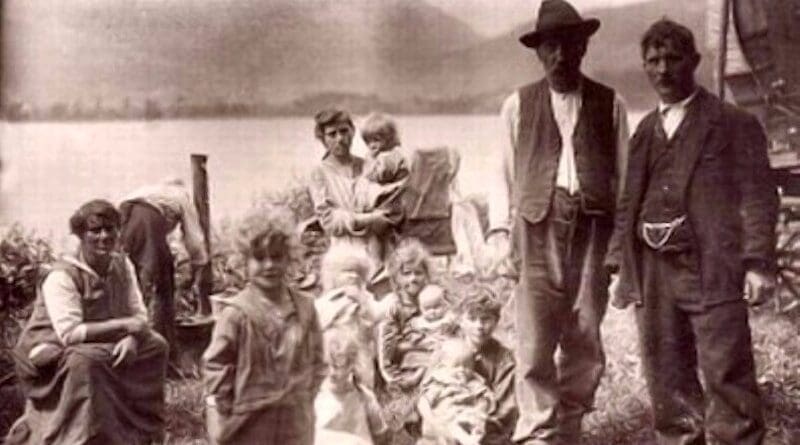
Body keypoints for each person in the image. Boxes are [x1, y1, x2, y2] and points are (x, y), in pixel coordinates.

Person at [605, 18, 777, 444]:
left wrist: (757, 264)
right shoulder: (644, 131)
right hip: (655, 275)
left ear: (694, 61)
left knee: (728, 376)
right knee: (668, 380)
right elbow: (628, 203)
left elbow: (758, 196)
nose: (662, 70)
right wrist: (617, 264)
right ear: (645, 67)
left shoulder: (733, 123)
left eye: (673, 58)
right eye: (653, 60)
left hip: (712, 269)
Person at [486, 0, 629, 442]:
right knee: (534, 338)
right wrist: (497, 231)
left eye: (569, 45)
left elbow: (624, 179)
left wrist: (620, 244)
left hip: (592, 229)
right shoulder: (517, 105)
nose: (560, 56)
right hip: (535, 228)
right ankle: (537, 434)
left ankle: (569, 428)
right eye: (551, 47)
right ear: (539, 52)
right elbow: (501, 172)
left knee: (585, 332)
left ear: (584, 46)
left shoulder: (610, 104)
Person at [6, 199, 168, 445]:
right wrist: (125, 327)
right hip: (51, 348)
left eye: (110, 228)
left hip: (99, 337)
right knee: (88, 362)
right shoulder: (62, 275)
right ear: (81, 235)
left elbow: (139, 314)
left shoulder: (122, 265)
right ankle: (83, 435)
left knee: (156, 346)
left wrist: (132, 338)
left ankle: (138, 431)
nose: (104, 236)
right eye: (95, 230)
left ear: (118, 230)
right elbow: (69, 333)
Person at [202, 207, 326, 445]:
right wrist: (221, 410)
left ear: (289, 258)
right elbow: (217, 365)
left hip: (295, 418)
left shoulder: (305, 308)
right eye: (259, 258)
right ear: (243, 262)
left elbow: (317, 359)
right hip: (251, 417)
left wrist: (306, 394)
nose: (269, 265)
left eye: (277, 256)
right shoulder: (236, 314)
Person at [119, 177, 210, 361]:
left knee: (128, 281)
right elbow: (194, 238)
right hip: (147, 219)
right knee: (162, 286)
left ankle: (131, 341)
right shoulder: (181, 196)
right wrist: (199, 264)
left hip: (123, 218)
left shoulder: (148, 188)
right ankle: (163, 355)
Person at [308, 108, 401, 275]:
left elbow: (389, 199)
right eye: (332, 134)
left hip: (378, 248)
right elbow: (329, 221)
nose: (340, 139)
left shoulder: (369, 165)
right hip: (344, 253)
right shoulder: (319, 174)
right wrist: (370, 218)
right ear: (322, 139)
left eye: (344, 131)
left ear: (353, 131)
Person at [457, 285, 517, 445]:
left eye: (486, 319)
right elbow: (431, 391)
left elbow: (505, 408)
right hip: (452, 421)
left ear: (496, 321)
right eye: (472, 318)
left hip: (487, 426)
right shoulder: (448, 351)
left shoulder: (504, 359)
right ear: (460, 320)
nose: (479, 326)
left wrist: (479, 423)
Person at [315, 328, 390, 445]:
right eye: (326, 365)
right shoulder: (314, 398)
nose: (331, 372)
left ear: (351, 365)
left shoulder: (364, 397)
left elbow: (381, 435)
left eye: (338, 366)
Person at [417, 337, 496, 445]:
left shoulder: (474, 382)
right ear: (443, 366)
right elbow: (424, 402)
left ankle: (473, 438)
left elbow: (484, 399)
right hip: (445, 418)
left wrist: (479, 411)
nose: (461, 370)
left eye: (467, 366)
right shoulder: (440, 381)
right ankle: (466, 440)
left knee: (479, 425)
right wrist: (431, 418)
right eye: (456, 366)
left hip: (468, 417)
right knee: (451, 427)